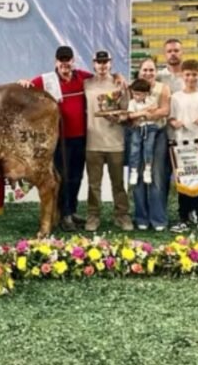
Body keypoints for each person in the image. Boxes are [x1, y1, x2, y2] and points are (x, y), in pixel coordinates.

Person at [18, 46, 94, 232]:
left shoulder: (82, 77)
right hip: (60, 139)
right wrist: (23, 83)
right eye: (61, 60)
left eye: (68, 59)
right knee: (64, 177)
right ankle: (64, 214)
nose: (65, 63)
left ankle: (72, 210)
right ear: (56, 62)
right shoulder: (46, 80)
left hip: (82, 137)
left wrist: (118, 78)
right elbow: (26, 87)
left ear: (73, 61)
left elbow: (101, 79)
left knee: (77, 177)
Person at [83, 50, 132, 232]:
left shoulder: (120, 84)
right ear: (93, 63)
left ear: (111, 63)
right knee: (93, 184)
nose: (102, 65)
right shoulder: (86, 84)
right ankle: (93, 216)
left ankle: (122, 215)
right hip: (92, 142)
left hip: (115, 142)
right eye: (99, 62)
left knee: (118, 183)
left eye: (105, 62)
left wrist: (118, 119)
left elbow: (127, 113)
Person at [168, 59, 198, 235]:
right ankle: (183, 218)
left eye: (194, 75)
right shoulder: (175, 97)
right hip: (182, 147)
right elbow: (170, 119)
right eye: (187, 74)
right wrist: (174, 123)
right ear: (182, 75)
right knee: (184, 184)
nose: (191, 78)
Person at [129, 58, 171, 231]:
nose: (148, 73)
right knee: (137, 175)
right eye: (145, 70)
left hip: (157, 133)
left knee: (156, 176)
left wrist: (143, 115)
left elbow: (165, 111)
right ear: (139, 72)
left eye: (151, 70)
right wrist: (146, 113)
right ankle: (141, 217)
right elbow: (129, 111)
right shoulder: (133, 87)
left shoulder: (163, 88)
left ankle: (158, 218)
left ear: (156, 71)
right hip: (137, 134)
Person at [126, 79, 161, 185]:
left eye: (138, 94)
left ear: (146, 93)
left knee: (148, 148)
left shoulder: (152, 100)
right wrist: (144, 113)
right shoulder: (132, 102)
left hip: (150, 127)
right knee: (134, 149)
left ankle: (147, 170)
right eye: (134, 94)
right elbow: (131, 115)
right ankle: (134, 171)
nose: (136, 97)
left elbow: (155, 109)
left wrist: (141, 113)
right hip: (137, 128)